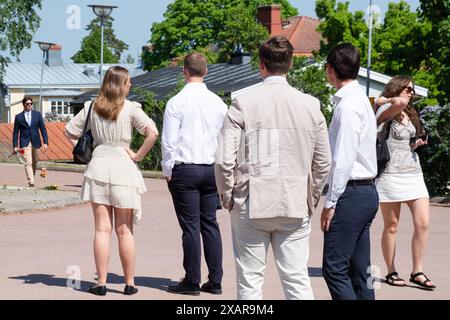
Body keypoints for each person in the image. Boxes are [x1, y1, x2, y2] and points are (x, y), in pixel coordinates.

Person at [215, 36, 331, 300]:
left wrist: (228, 195)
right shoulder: (312, 106)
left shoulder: (243, 102)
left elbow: (223, 158)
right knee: (296, 279)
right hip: (294, 201)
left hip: (251, 199)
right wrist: (311, 197)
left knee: (250, 281)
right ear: (290, 63)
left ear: (261, 64)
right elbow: (323, 161)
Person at [65, 66, 159, 296]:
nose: (130, 86)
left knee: (102, 230)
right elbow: (153, 133)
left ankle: (101, 283)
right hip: (123, 168)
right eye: (128, 82)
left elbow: (69, 132)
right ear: (120, 84)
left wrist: (86, 151)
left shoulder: (91, 106)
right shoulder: (132, 108)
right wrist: (138, 155)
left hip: (98, 166)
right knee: (124, 230)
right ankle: (129, 283)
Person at [162, 52, 227, 296]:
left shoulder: (176, 102)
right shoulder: (219, 103)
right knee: (210, 223)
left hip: (185, 168)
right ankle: (216, 279)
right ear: (206, 71)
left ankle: (191, 279)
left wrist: (168, 169)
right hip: (211, 168)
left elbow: (169, 141)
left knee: (190, 226)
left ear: (184, 72)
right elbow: (225, 138)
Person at [321, 43, 379, 300]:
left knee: (334, 269)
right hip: (366, 191)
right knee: (360, 270)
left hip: (351, 193)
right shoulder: (362, 101)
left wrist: (330, 202)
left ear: (330, 69)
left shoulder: (347, 106)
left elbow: (342, 159)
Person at [374, 76, 435, 290]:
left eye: (412, 90)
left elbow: (406, 143)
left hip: (413, 173)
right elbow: (398, 102)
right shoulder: (383, 111)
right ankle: (391, 270)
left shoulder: (411, 113)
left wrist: (416, 143)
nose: (411, 93)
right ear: (397, 88)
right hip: (390, 176)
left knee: (423, 223)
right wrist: (386, 99)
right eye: (408, 89)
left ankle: (417, 271)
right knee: (392, 226)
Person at [12, 96, 49, 187]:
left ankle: (32, 177)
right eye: (27, 104)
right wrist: (15, 145)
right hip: (25, 142)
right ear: (23, 104)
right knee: (28, 162)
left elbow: (43, 129)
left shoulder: (37, 115)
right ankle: (31, 182)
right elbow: (15, 132)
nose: (29, 105)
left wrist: (45, 142)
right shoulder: (18, 117)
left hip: (36, 142)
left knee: (35, 162)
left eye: (31, 104)